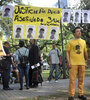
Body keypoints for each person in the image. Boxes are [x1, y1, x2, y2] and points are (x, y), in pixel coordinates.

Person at [66, 27, 90, 100]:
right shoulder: (70, 42)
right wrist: (68, 62)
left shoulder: (83, 41)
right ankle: (71, 95)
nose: (79, 32)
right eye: (77, 31)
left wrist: (88, 61)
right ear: (74, 33)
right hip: (73, 63)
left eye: (80, 31)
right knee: (72, 80)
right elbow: (67, 52)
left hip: (82, 63)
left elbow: (85, 52)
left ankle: (80, 94)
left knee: (81, 79)